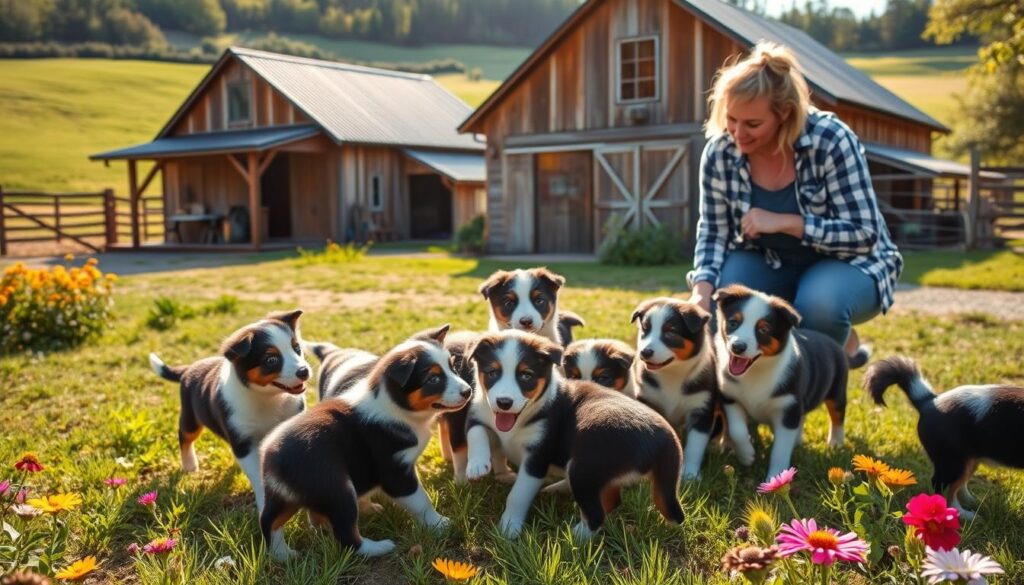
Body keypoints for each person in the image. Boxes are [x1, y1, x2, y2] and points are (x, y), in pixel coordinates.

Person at [686, 42, 903, 368]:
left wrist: (786, 222)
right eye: (731, 119)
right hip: (770, 260)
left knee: (820, 305)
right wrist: (701, 293)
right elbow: (713, 233)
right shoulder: (720, 153)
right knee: (725, 298)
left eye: (753, 124)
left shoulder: (830, 140)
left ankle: (812, 369)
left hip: (848, 263)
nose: (738, 134)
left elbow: (865, 233)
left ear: (784, 113)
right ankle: (745, 400)